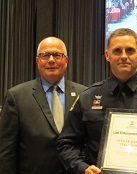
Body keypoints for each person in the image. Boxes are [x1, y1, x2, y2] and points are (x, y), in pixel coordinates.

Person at [57, 28, 137, 174]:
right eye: (117, 51)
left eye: (130, 50)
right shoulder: (88, 97)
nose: (123, 56)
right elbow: (66, 144)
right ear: (107, 55)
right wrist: (83, 168)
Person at [0, 37, 87, 174]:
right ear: (37, 61)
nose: (51, 60)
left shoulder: (84, 94)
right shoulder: (16, 96)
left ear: (66, 60)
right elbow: (6, 151)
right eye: (45, 55)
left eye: (57, 55)